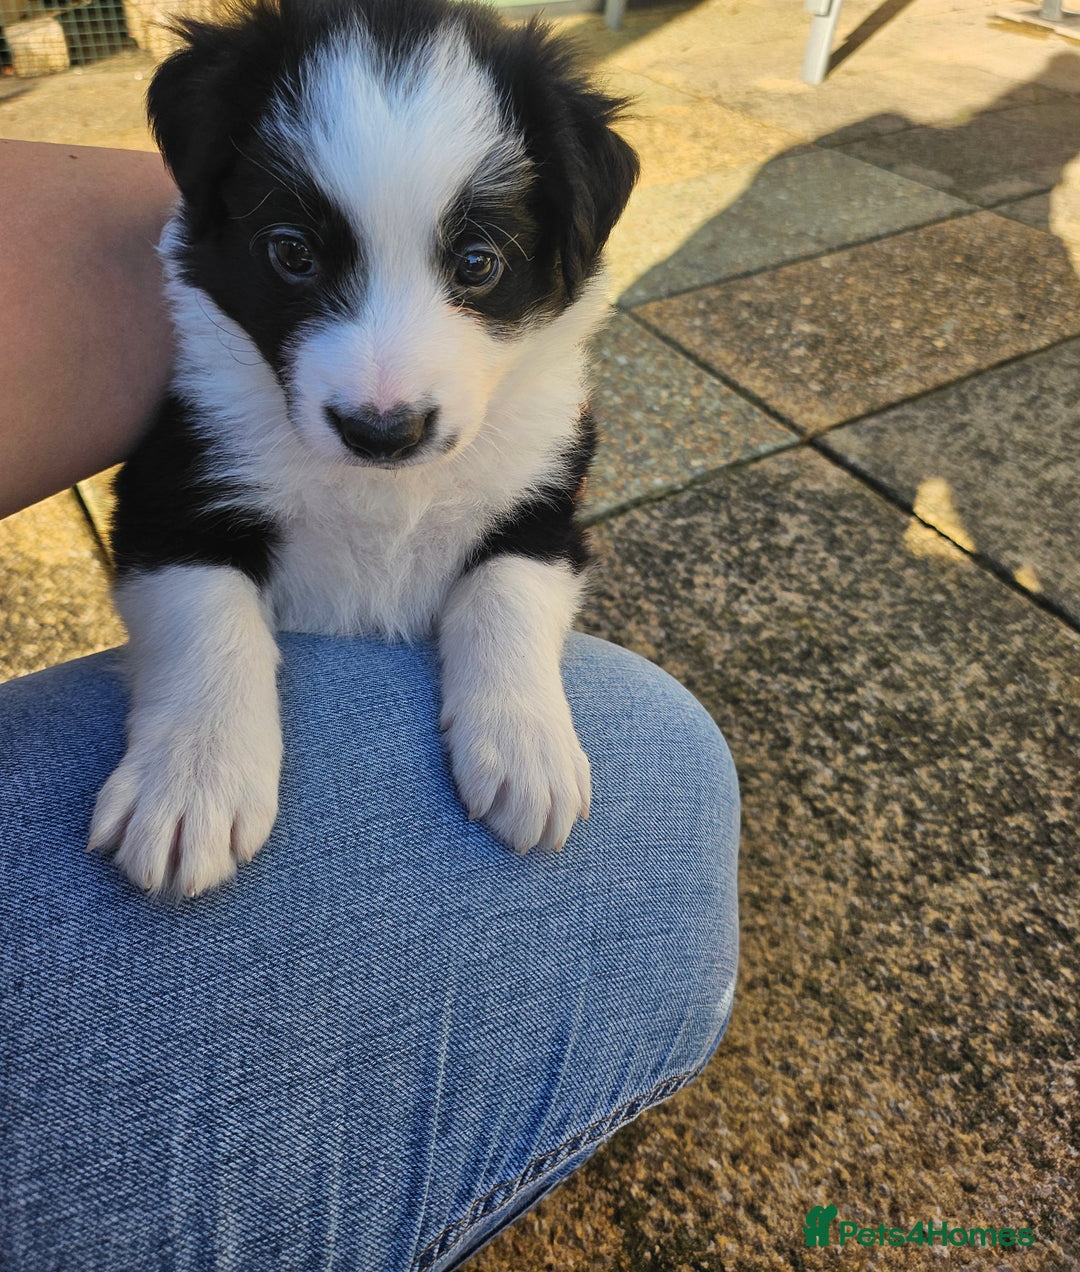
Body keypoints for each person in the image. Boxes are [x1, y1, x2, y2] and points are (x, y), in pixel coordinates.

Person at [0, 140, 740, 1271]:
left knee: (645, 738)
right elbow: (173, 535)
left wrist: (508, 667)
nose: (382, 390)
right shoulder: (224, 374)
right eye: (298, 253)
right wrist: (205, 708)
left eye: (477, 261)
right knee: (661, 767)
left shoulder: (524, 398)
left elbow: (535, 539)